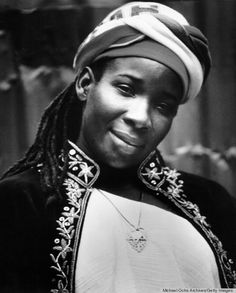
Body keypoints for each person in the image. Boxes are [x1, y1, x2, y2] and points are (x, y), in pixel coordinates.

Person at [0, 2, 235, 292]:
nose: (141, 118)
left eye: (163, 105)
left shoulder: (209, 201)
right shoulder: (22, 201)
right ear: (86, 84)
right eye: (126, 89)